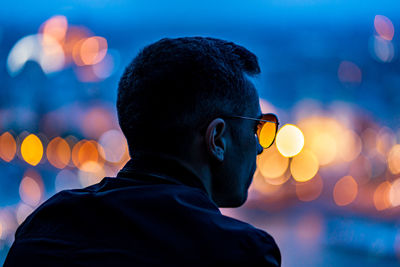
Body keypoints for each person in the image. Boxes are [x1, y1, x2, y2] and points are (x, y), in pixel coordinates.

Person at [5, 37, 281, 266]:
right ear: (217, 139)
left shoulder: (45, 228)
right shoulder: (238, 253)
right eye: (256, 127)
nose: (258, 146)